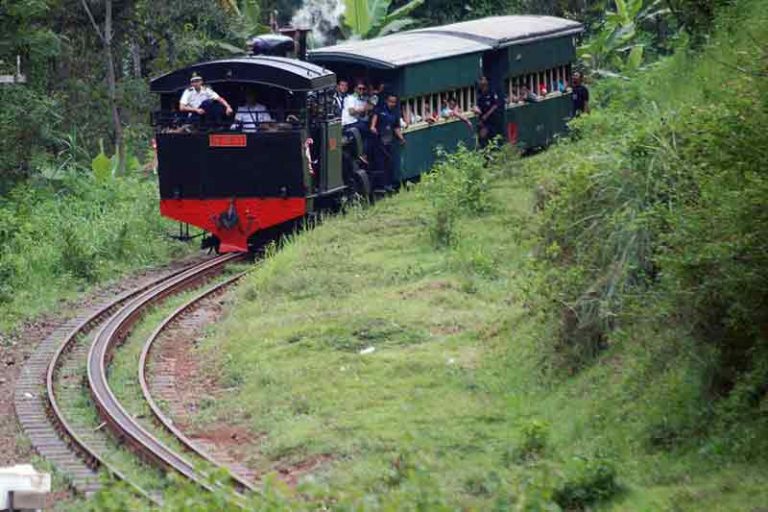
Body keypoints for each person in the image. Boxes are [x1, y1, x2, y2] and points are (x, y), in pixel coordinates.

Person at [370, 93, 406, 192]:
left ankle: (388, 184)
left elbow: (396, 127)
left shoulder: (394, 113)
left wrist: (401, 138)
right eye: (390, 101)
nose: (392, 104)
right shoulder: (380, 109)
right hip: (378, 140)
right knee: (379, 163)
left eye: (394, 102)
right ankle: (380, 186)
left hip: (388, 140)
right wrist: (373, 127)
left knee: (389, 163)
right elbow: (375, 117)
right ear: (387, 101)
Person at [342, 81, 372, 164]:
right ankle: (361, 154)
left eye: (363, 89)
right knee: (366, 129)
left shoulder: (361, 99)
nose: (361, 90)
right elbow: (352, 112)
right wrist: (364, 109)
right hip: (348, 123)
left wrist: (365, 109)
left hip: (355, 122)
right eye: (360, 88)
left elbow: (362, 114)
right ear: (355, 89)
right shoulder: (350, 98)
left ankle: (362, 154)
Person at [473, 75, 503, 148]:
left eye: (483, 79)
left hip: (493, 118)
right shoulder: (479, 94)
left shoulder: (491, 91)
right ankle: (485, 153)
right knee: (482, 136)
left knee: (493, 136)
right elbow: (477, 106)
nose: (482, 82)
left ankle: (495, 150)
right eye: (480, 80)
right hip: (484, 120)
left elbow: (495, 105)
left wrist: (486, 115)